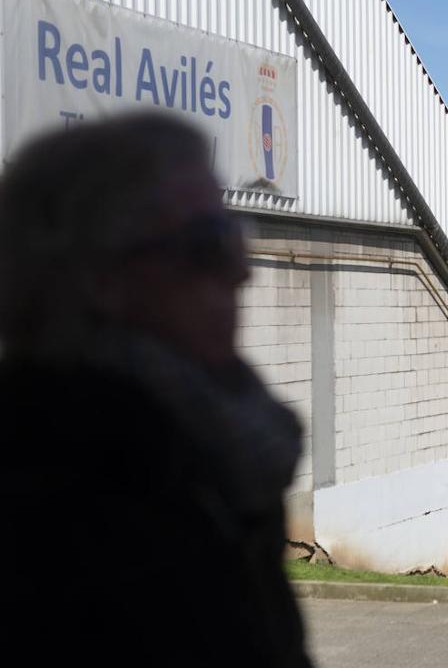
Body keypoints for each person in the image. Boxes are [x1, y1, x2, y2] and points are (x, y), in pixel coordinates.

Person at [0, 113, 310, 665]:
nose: (242, 273)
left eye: (234, 238)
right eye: (208, 246)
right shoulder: (51, 506)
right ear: (98, 280)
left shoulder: (211, 445)